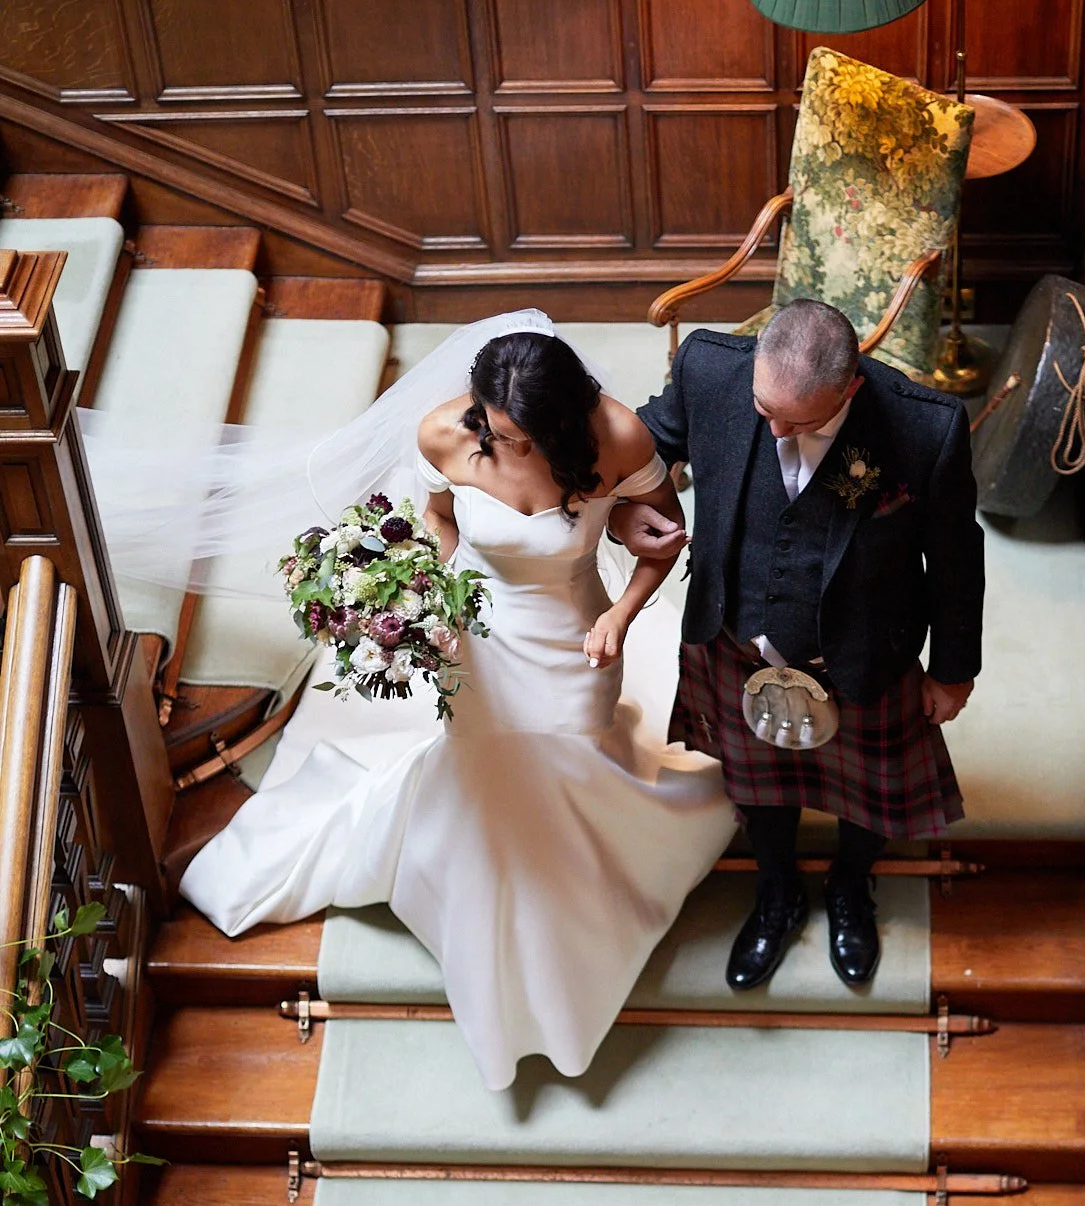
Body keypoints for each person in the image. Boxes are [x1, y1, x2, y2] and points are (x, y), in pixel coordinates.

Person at [178, 321, 735, 1092]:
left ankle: (590, 890)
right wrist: (426, 596)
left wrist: (619, 617)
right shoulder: (444, 431)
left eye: (517, 434)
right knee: (485, 769)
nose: (498, 443)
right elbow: (438, 520)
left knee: (574, 753)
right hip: (475, 634)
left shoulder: (617, 436)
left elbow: (661, 540)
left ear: (564, 422)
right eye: (491, 427)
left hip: (573, 635)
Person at [611, 299, 983, 992]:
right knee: (757, 789)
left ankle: (850, 887)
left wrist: (953, 671)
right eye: (765, 410)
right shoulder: (709, 369)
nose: (777, 429)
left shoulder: (923, 426)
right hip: (732, 639)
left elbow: (958, 559)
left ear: (850, 388)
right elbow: (647, 442)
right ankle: (775, 891)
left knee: (869, 799)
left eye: (800, 420)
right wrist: (628, 509)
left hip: (865, 653)